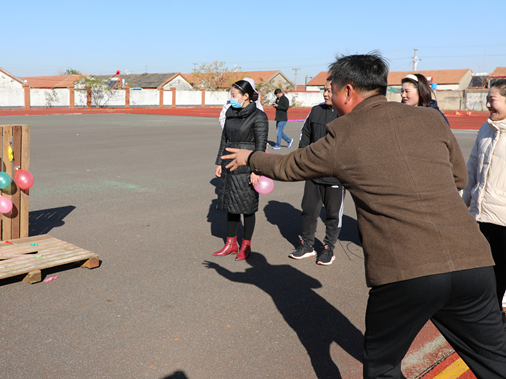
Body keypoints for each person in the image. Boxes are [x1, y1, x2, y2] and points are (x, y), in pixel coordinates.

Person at [222, 53, 506, 378]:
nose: (330, 98)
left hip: (406, 272)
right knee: (496, 363)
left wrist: (251, 158)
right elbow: (458, 178)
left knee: (383, 368)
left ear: (347, 91)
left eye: (332, 90)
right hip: (473, 263)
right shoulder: (430, 119)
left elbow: (291, 165)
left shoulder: (344, 133)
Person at [462, 78, 506, 322]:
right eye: (487, 99)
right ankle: (493, 319)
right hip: (484, 214)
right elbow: (472, 169)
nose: (488, 104)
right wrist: (464, 203)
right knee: (489, 274)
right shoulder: (486, 129)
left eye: (493, 99)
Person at [214, 78, 269, 261]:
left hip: (247, 166)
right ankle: (230, 243)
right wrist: (219, 163)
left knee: (247, 206)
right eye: (231, 95)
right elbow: (224, 139)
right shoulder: (230, 113)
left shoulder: (259, 116)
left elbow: (260, 146)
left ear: (246, 96)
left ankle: (246, 245)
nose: (231, 98)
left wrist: (256, 170)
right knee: (231, 205)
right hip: (230, 164)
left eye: (234, 95)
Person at [290, 77, 344, 265]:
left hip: (335, 176)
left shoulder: (346, 115)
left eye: (330, 90)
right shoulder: (316, 111)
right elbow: (305, 135)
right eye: (324, 90)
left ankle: (329, 248)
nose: (326, 94)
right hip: (313, 173)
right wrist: (302, 159)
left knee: (333, 214)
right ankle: (307, 245)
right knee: (309, 211)